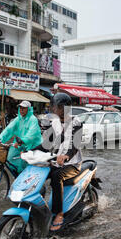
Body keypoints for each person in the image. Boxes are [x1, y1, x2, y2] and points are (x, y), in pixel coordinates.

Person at [38, 93, 84, 231]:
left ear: (64, 108)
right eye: (53, 107)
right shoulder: (56, 123)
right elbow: (47, 143)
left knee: (57, 177)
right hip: (57, 162)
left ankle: (59, 213)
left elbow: (75, 146)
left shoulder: (76, 123)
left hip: (73, 164)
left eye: (56, 107)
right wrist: (29, 151)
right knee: (39, 174)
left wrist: (66, 156)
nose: (53, 110)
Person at [0, 101, 42, 175]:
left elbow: (31, 134)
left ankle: (26, 179)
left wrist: (21, 141)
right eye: (20, 108)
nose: (21, 110)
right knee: (10, 158)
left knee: (25, 164)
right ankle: (18, 177)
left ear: (28, 109)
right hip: (19, 143)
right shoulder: (18, 119)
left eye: (24, 108)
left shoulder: (33, 119)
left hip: (32, 144)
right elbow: (9, 129)